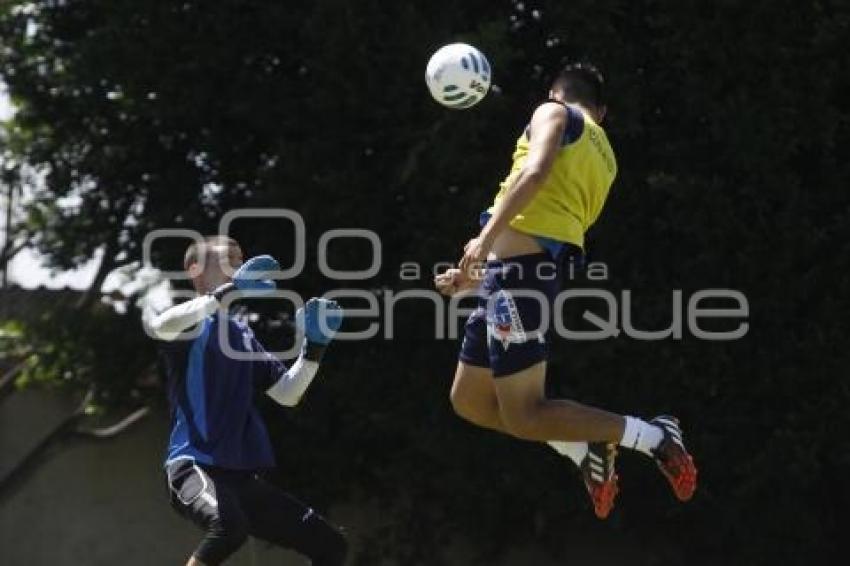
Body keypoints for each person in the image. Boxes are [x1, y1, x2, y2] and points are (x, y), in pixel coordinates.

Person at [435, 63, 697, 519]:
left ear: (555, 93)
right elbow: (549, 231)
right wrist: (476, 275)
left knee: (525, 414)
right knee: (469, 400)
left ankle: (653, 436)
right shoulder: (606, 155)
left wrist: (485, 239)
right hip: (517, 278)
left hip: (516, 281)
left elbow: (534, 176)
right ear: (603, 110)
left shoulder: (553, 112)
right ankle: (585, 452)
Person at [145, 236, 347, 565]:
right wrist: (228, 291)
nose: (240, 268)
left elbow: (287, 393)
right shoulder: (190, 324)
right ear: (194, 268)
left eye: (241, 262)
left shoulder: (242, 335)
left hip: (237, 477)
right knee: (228, 527)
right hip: (192, 466)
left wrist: (314, 349)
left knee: (331, 545)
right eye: (230, 260)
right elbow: (160, 325)